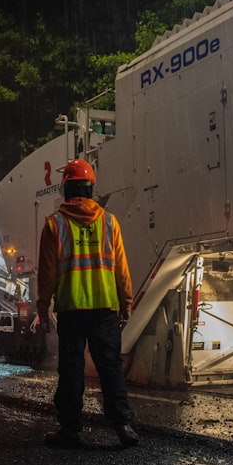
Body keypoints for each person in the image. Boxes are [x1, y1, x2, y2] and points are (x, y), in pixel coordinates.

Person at [36, 158, 139, 448]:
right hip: (105, 308)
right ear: (90, 188)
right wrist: (126, 304)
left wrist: (42, 308)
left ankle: (70, 429)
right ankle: (123, 426)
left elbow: (47, 274)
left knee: (71, 369)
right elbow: (121, 269)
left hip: (71, 309)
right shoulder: (109, 222)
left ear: (66, 189)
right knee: (110, 367)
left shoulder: (54, 225)